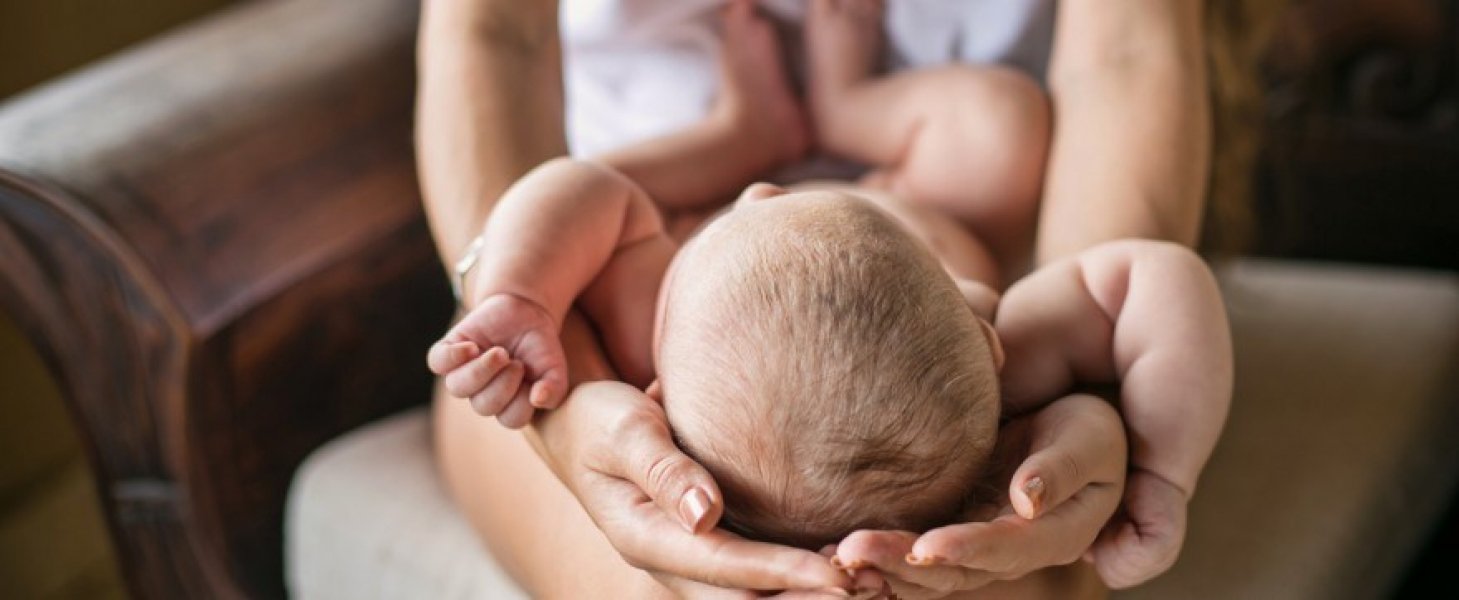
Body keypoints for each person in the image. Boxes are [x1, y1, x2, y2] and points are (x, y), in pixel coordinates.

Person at [417, 0, 1222, 597]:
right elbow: (1153, 281)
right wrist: (1152, 464)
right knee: (995, 137)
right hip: (928, 180)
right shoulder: (1001, 351)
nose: (765, 192)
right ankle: (838, 106)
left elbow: (582, 190)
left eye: (754, 201)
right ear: (983, 339)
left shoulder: (641, 306)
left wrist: (519, 301)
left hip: (666, 192)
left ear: (654, 390)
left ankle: (743, 131)